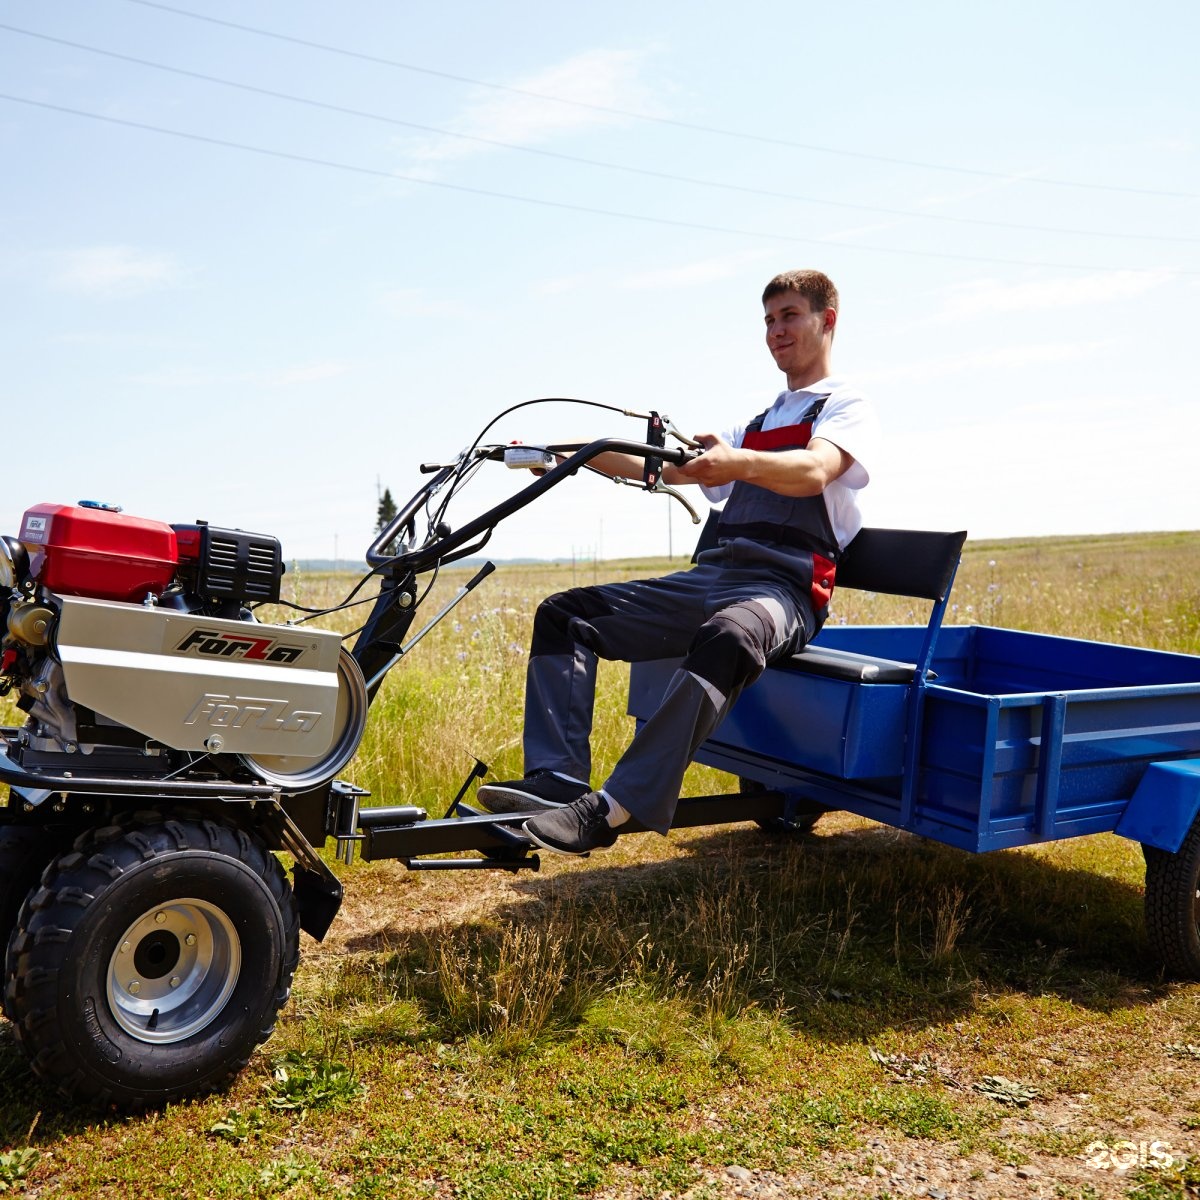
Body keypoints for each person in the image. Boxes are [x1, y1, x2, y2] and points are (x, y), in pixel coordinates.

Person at [478, 269, 881, 855]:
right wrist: (567, 455)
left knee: (730, 636)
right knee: (566, 615)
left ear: (828, 319)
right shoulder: (759, 423)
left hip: (785, 589)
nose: (775, 331)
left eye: (789, 315)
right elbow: (662, 467)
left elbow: (816, 470)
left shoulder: (845, 405)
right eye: (768, 320)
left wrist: (737, 462)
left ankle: (612, 808)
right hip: (714, 576)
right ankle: (556, 779)